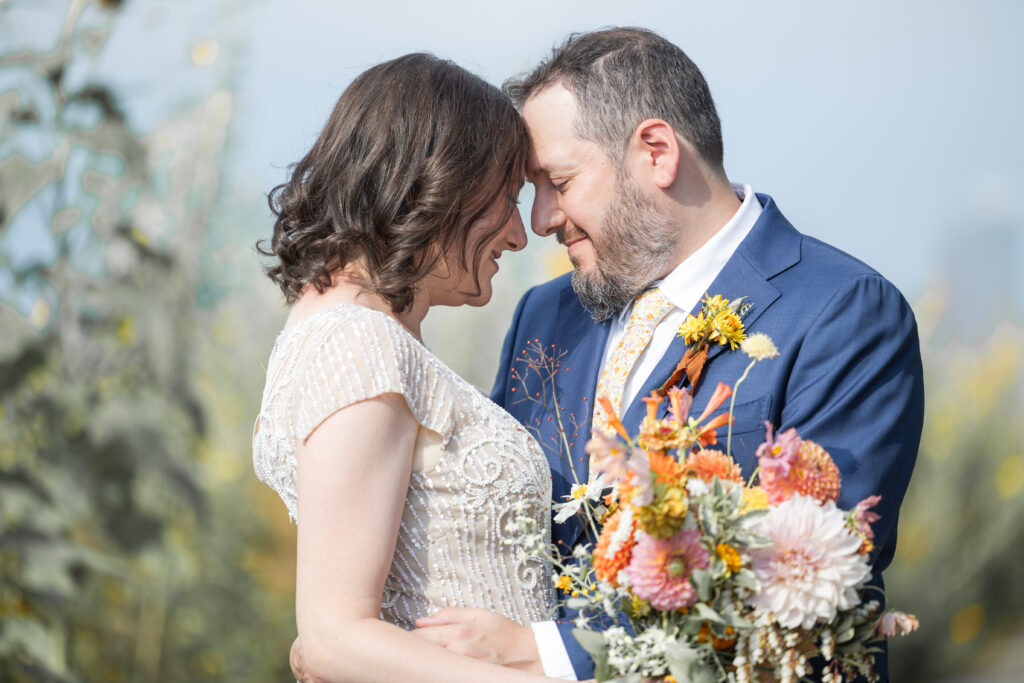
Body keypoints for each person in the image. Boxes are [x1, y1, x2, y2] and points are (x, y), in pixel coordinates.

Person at [415, 28, 924, 682]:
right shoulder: (545, 315)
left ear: (656, 152)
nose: (540, 218)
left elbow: (802, 570)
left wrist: (544, 651)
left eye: (557, 181)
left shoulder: (845, 313)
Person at [253, 53, 565, 682]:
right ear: (439, 185)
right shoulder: (359, 344)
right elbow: (334, 637)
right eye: (505, 199)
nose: (519, 234)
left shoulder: (353, 333)